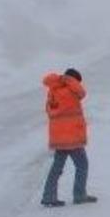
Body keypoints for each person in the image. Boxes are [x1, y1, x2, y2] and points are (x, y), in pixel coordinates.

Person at [41, 68, 97, 207]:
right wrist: (69, 80)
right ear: (73, 80)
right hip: (72, 137)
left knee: (57, 168)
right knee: (82, 165)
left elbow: (49, 111)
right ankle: (79, 195)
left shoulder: (52, 92)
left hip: (58, 137)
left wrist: (64, 79)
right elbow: (82, 93)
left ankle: (48, 196)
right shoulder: (71, 91)